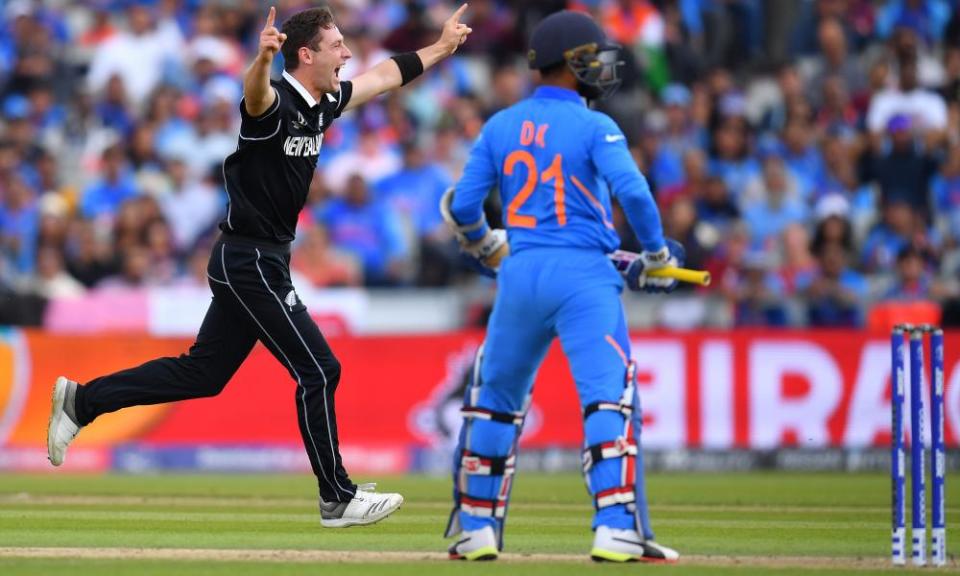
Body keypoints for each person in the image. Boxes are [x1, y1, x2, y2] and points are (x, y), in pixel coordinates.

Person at [47, 4, 472, 529]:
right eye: (337, 45)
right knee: (319, 369)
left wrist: (441, 47)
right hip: (248, 258)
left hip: (259, 258)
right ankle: (336, 496)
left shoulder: (325, 101)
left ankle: (81, 402)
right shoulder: (276, 100)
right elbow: (254, 95)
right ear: (306, 54)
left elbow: (384, 76)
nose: (347, 52)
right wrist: (262, 59)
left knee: (203, 373)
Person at [440, 10, 682, 563]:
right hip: (584, 279)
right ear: (574, 65)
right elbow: (636, 193)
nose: (603, 66)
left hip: (520, 276)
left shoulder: (500, 125)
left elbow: (464, 205)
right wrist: (656, 254)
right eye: (594, 57)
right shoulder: (596, 125)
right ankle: (616, 528)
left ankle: (476, 530)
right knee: (607, 399)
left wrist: (483, 246)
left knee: (494, 402)